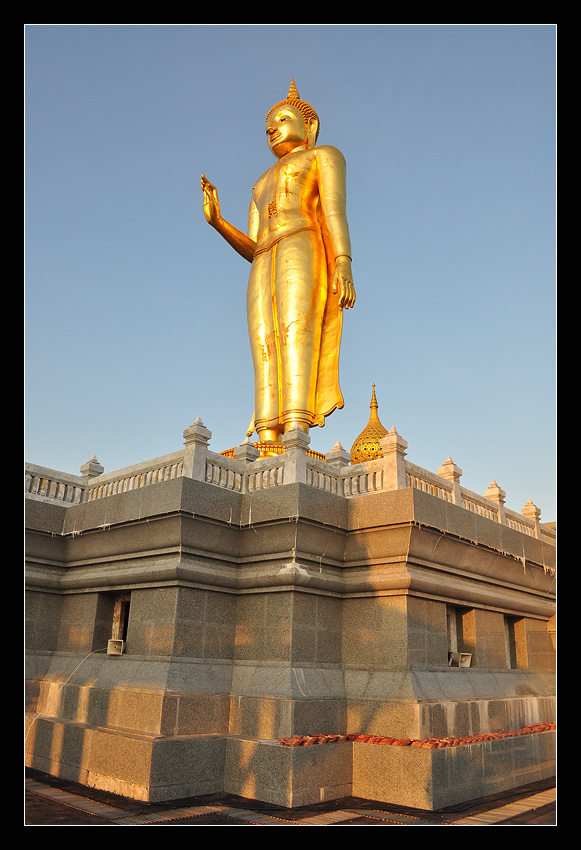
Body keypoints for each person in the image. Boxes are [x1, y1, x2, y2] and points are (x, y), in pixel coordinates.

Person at [201, 80, 355, 451]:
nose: (272, 128)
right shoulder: (259, 183)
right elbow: (253, 246)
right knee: (263, 343)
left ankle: (297, 428)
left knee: (296, 331)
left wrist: (343, 262)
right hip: (263, 258)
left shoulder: (323, 156)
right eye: (268, 125)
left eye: (282, 119)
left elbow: (334, 211)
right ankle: (267, 434)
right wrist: (218, 222)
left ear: (309, 126)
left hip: (301, 242)